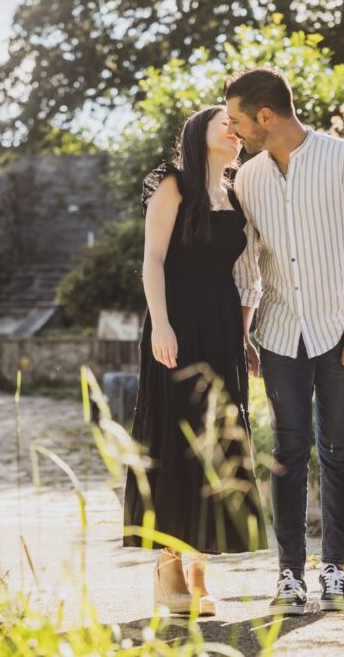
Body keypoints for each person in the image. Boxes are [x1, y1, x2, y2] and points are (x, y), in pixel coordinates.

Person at [225, 67, 344, 615]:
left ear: (265, 117)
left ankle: (334, 569)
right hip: (280, 333)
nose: (232, 132)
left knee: (338, 451)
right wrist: (245, 332)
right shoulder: (247, 178)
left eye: (236, 120)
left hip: (341, 329)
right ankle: (288, 576)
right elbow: (247, 265)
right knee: (287, 452)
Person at [122, 105, 269, 618]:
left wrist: (245, 335)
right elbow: (153, 261)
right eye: (222, 123)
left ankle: (199, 570)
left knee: (217, 442)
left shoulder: (236, 192)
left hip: (223, 326)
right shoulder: (171, 183)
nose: (234, 129)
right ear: (197, 134)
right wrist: (162, 324)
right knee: (176, 437)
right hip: (177, 322)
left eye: (236, 124)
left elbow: (246, 270)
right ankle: (167, 570)